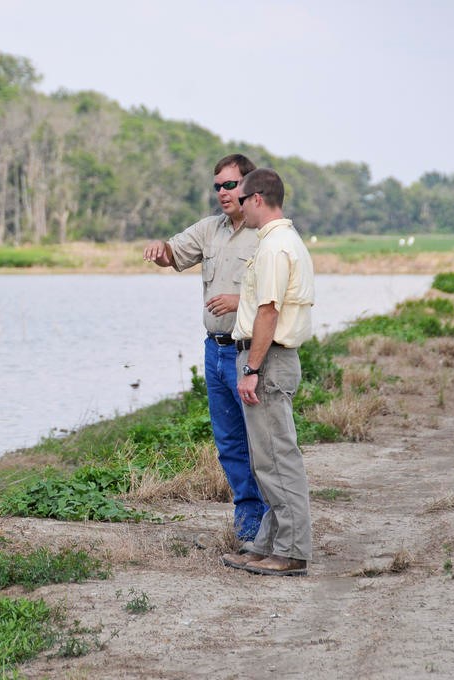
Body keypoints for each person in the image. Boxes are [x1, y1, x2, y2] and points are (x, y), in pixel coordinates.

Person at [143, 154, 267, 544]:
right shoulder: (209, 230)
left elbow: (276, 299)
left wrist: (238, 301)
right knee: (228, 442)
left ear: (249, 186)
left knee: (262, 441)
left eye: (229, 185)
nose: (222, 193)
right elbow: (172, 253)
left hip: (249, 353)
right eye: (217, 186)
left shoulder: (267, 234)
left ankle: (275, 523)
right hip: (214, 353)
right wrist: (159, 250)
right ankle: (247, 520)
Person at [222, 168, 315, 576]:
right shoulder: (277, 242)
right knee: (268, 459)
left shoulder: (276, 246)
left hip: (270, 359)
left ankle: (292, 551)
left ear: (257, 198)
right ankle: (267, 545)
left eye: (241, 199)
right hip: (269, 358)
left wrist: (252, 368)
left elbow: (268, 311)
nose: (237, 207)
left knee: (278, 459)